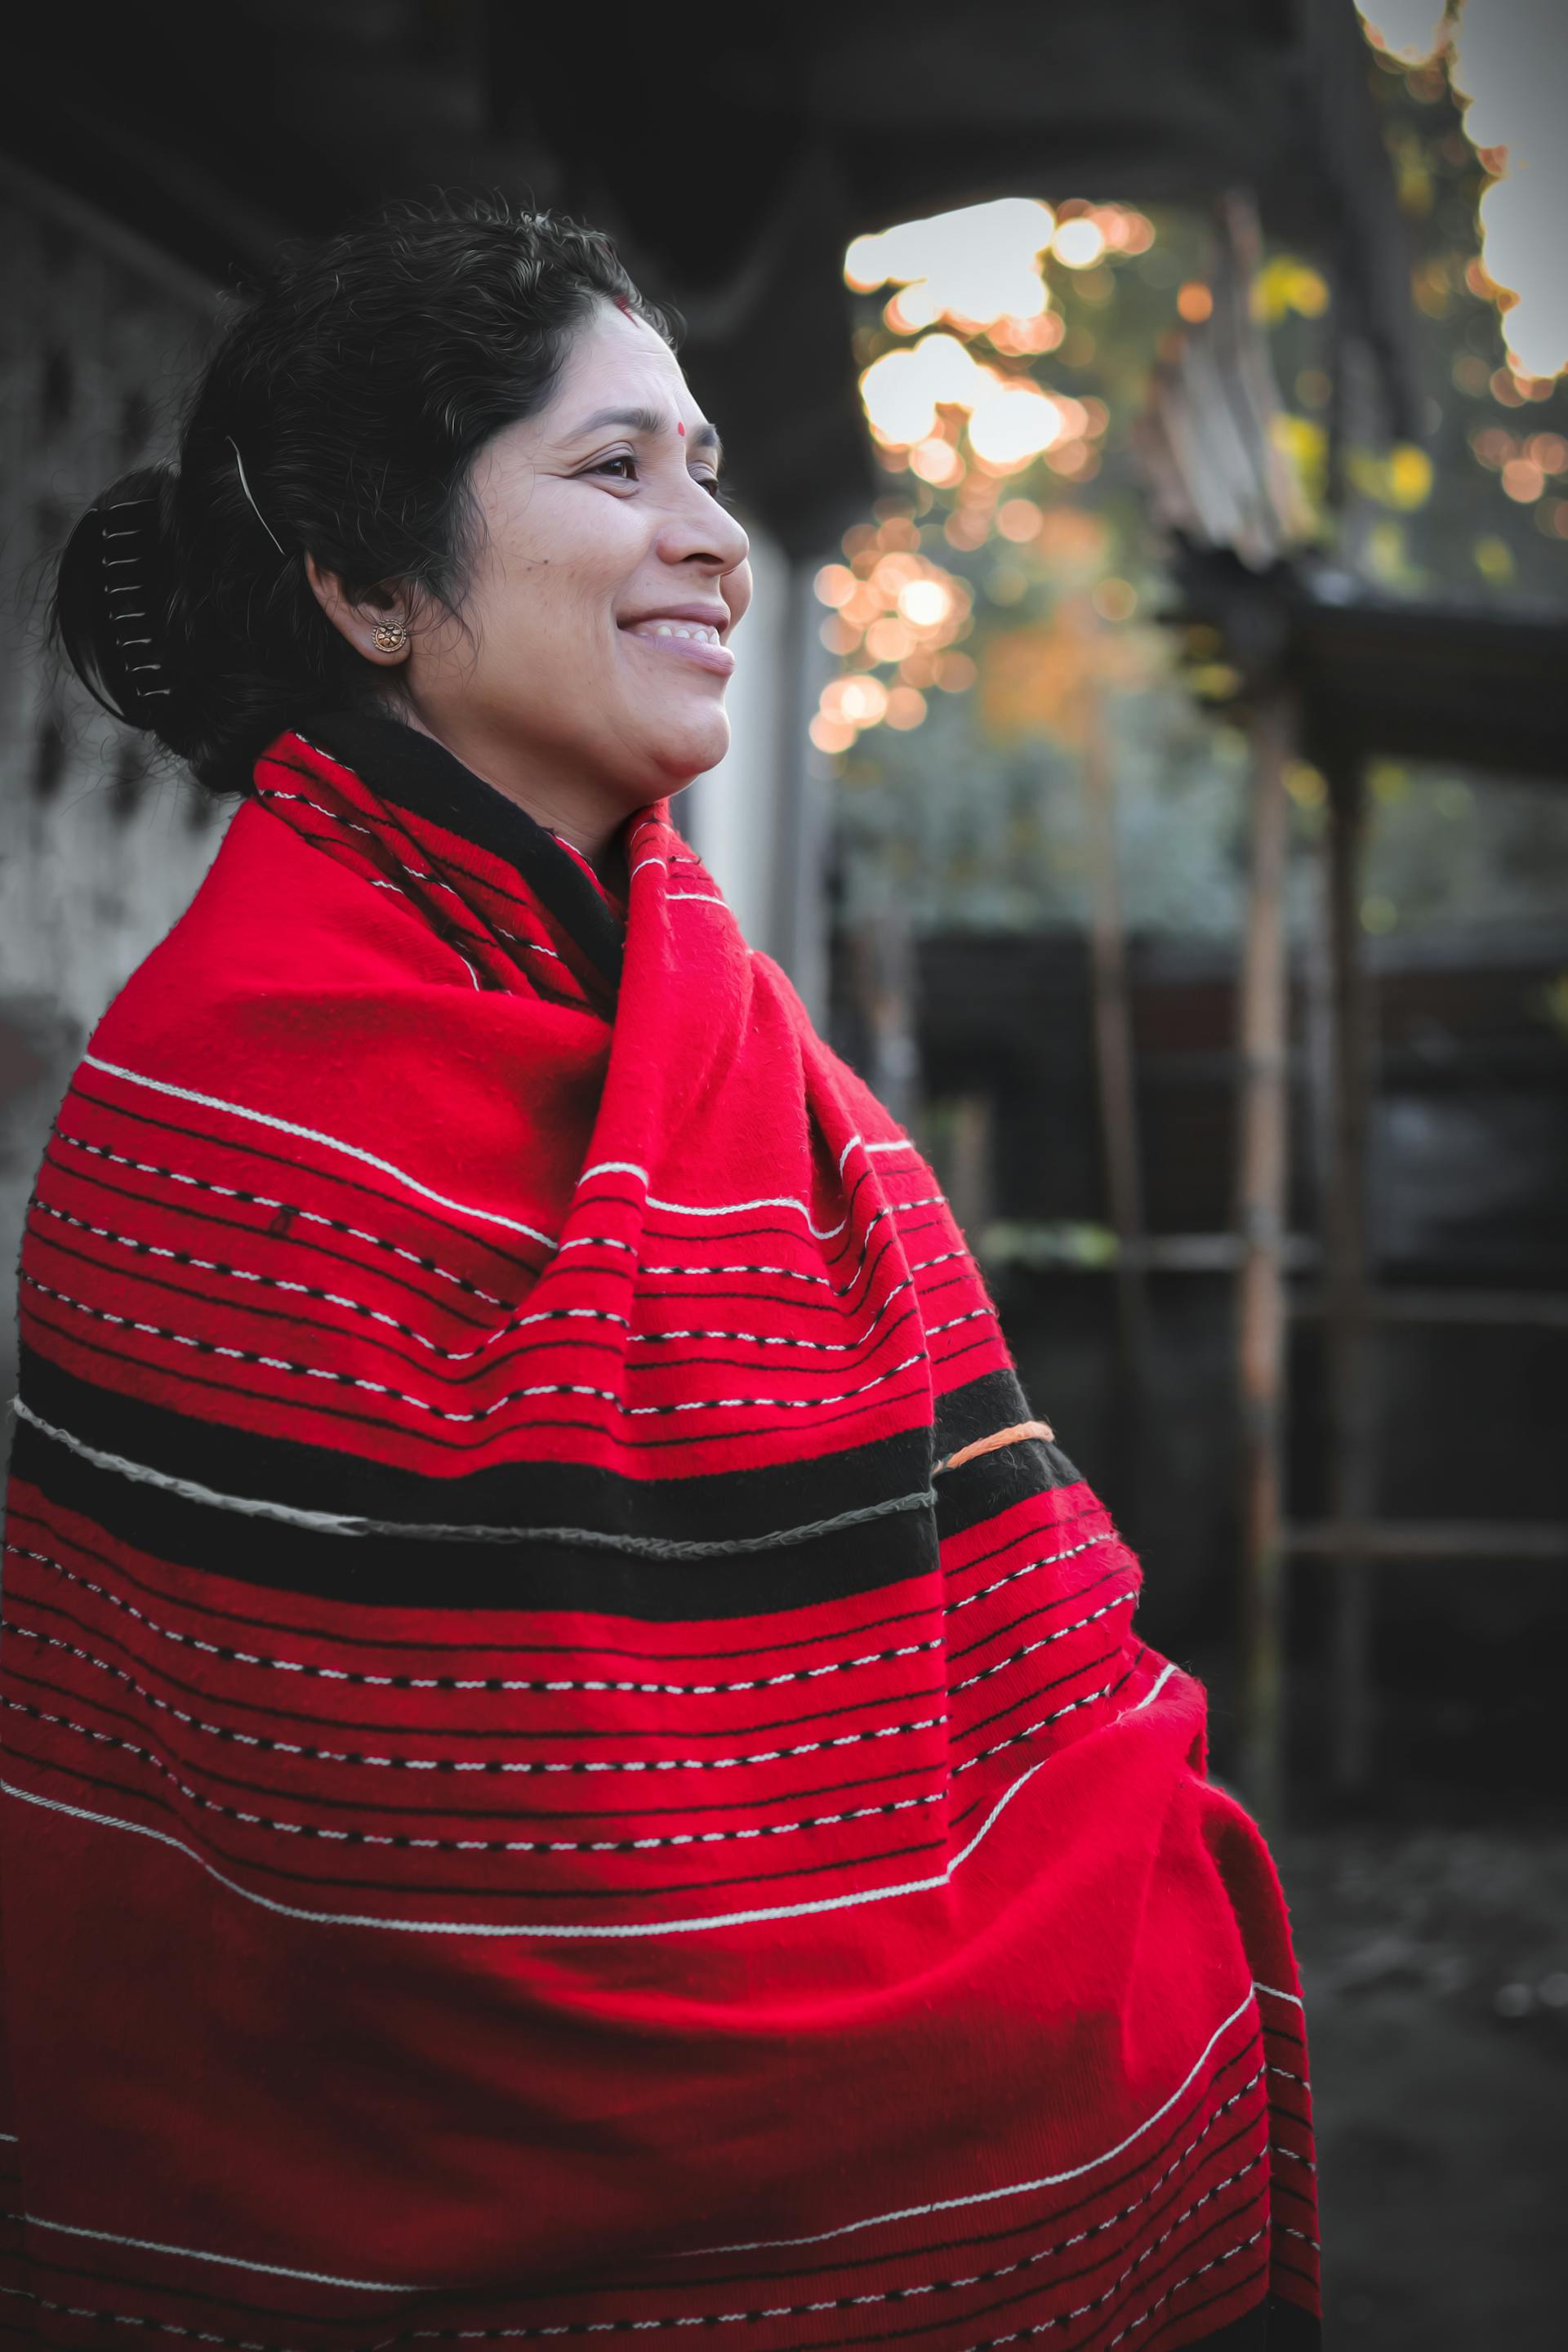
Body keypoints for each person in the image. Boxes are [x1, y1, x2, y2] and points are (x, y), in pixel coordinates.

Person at [1, 194, 1320, 2351]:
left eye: (709, 465)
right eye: (615, 470)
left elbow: (1015, 1625)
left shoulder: (745, 1050)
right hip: (366, 2202)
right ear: (365, 580)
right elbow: (357, 1846)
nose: (708, 532)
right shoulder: (216, 1115)